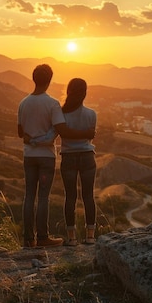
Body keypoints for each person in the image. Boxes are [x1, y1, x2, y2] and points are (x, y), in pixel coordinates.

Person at [17, 64, 94, 248]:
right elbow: (62, 130)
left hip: (29, 155)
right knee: (43, 197)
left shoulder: (23, 103)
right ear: (50, 80)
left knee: (29, 196)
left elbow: (20, 132)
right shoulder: (52, 104)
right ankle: (43, 237)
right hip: (46, 157)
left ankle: (28, 239)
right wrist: (88, 134)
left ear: (33, 78)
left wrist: (32, 139)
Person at [56, 78, 97, 246]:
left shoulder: (61, 114)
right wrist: (84, 134)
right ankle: (90, 236)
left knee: (70, 197)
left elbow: (62, 134)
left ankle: (71, 237)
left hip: (68, 156)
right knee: (88, 196)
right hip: (87, 155)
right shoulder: (91, 114)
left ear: (68, 91)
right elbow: (90, 135)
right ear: (85, 93)